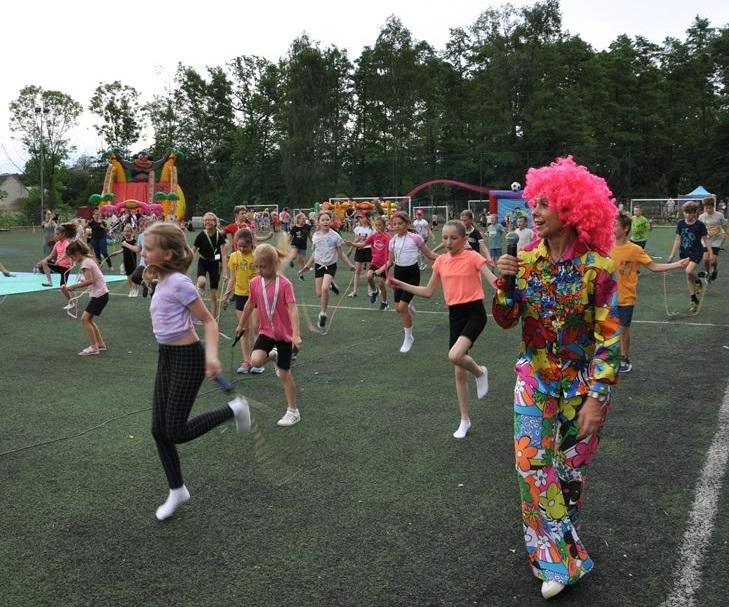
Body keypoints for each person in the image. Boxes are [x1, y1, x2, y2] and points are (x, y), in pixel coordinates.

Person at [493, 156, 620, 600]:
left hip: (582, 386)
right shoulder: (523, 262)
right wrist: (504, 285)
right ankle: (559, 560)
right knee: (531, 466)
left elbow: (610, 338)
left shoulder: (599, 270)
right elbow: (506, 320)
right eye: (535, 203)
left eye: (546, 203)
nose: (536, 212)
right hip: (535, 376)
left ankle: (553, 547)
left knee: (568, 476)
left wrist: (597, 398)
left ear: (573, 209)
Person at [142, 222, 250, 521]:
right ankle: (177, 489)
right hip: (166, 357)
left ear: (169, 253)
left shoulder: (179, 283)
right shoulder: (161, 279)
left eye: (149, 247)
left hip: (187, 358)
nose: (144, 251)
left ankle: (235, 409)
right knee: (157, 429)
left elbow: (209, 321)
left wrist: (212, 356)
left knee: (175, 430)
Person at [391, 219, 495, 439]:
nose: (448, 242)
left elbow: (494, 282)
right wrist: (401, 285)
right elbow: (428, 291)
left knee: (455, 355)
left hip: (475, 313)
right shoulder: (440, 262)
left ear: (464, 239)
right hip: (455, 315)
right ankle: (464, 420)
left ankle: (480, 371)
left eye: (453, 238)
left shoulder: (474, 257)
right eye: (445, 237)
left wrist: (505, 285)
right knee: (458, 371)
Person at [611, 212, 688, 372]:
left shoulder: (634, 249)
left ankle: (624, 358)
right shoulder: (604, 246)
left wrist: (677, 264)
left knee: (624, 329)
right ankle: (608, 357)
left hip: (626, 297)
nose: (612, 227)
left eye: (615, 225)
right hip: (606, 298)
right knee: (607, 330)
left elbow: (653, 267)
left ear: (625, 229)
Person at [236, 243, 303, 426]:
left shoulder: (285, 284)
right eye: (256, 266)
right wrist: (242, 324)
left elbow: (293, 310)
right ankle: (273, 355)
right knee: (255, 361)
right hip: (266, 332)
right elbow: (250, 303)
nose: (259, 270)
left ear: (274, 263)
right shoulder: (254, 283)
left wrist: (296, 335)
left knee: (284, 374)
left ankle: (293, 411)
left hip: (284, 335)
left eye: (262, 266)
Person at [379, 211, 438, 353]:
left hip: (412, 275)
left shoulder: (415, 238)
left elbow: (429, 254)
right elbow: (390, 261)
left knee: (401, 308)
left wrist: (447, 259)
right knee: (399, 308)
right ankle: (409, 304)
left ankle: (408, 337)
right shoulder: (392, 241)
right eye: (395, 224)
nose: (397, 226)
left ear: (407, 224)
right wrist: (378, 271)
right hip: (398, 275)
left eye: (400, 223)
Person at [299, 211, 356, 331]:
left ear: (331, 221)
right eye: (323, 220)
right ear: (318, 222)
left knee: (324, 288)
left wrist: (350, 265)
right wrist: (307, 266)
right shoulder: (316, 236)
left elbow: (341, 253)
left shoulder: (335, 236)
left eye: (327, 220)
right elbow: (315, 253)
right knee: (319, 293)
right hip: (319, 265)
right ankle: (331, 284)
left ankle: (323, 314)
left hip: (331, 265)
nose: (325, 222)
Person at [222, 228, 264, 375]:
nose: (241, 249)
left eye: (244, 246)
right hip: (240, 295)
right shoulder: (234, 257)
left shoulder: (258, 256)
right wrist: (227, 295)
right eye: (238, 246)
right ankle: (246, 361)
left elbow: (264, 276)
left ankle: (256, 361)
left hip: (256, 296)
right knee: (243, 330)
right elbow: (233, 278)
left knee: (256, 328)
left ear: (251, 244)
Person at [62, 241, 109, 355]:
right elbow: (93, 278)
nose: (72, 260)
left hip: (99, 295)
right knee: (88, 319)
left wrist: (73, 287)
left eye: (72, 257)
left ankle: (94, 347)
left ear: (77, 253)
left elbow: (90, 281)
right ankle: (100, 344)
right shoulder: (88, 260)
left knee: (85, 319)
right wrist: (82, 281)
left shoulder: (85, 263)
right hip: (101, 294)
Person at [668, 201, 713, 313]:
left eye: (690, 213)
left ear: (695, 213)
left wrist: (710, 252)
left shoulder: (700, 225)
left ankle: (698, 281)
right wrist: (672, 255)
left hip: (696, 252)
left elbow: (706, 239)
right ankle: (694, 300)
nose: (687, 215)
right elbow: (678, 239)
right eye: (686, 212)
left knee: (689, 271)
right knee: (689, 276)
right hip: (684, 253)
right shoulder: (681, 224)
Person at [349, 216, 391, 309]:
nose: (378, 227)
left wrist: (386, 264)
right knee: (369, 276)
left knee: (381, 284)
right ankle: (374, 291)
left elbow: (392, 253)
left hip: (384, 265)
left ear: (384, 226)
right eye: (376, 225)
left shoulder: (388, 237)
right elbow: (363, 244)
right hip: (375, 262)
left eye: (380, 225)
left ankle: (384, 302)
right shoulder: (374, 236)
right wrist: (353, 244)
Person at [192, 212, 228, 319]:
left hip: (214, 264)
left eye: (210, 220)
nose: (207, 222)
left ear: (215, 222)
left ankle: (213, 318)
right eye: (205, 220)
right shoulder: (201, 235)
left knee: (214, 295)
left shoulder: (219, 235)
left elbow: (224, 255)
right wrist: (185, 261)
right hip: (203, 262)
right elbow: (193, 251)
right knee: (202, 281)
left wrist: (225, 272)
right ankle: (198, 288)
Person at [37, 223, 75, 291]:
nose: (55, 236)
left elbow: (65, 254)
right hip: (58, 266)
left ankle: (71, 300)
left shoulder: (66, 243)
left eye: (57, 234)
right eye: (55, 234)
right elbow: (51, 255)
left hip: (65, 268)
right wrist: (42, 261)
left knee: (63, 287)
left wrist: (58, 260)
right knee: (44, 262)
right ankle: (49, 282)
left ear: (63, 234)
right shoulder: (57, 243)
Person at [698, 197, 726, 282]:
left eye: (709, 208)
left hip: (717, 240)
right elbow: (699, 229)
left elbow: (724, 225)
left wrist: (725, 233)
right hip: (706, 240)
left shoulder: (719, 215)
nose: (708, 209)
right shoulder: (701, 217)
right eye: (706, 208)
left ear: (713, 207)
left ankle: (715, 269)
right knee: (706, 259)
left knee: (713, 261)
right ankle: (707, 272)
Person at [348, 213, 374, 297]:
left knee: (369, 272)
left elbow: (374, 241)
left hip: (369, 250)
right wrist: (350, 249)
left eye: (362, 217)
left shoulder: (372, 229)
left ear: (367, 218)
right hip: (359, 250)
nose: (361, 219)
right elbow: (355, 240)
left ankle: (370, 290)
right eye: (359, 218)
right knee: (357, 271)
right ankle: (354, 291)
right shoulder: (357, 228)